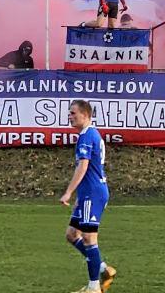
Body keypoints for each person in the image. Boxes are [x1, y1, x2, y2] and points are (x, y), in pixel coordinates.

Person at [60, 99, 115, 293]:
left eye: (74, 113)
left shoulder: (87, 136)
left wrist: (68, 192)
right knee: (72, 234)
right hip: (88, 193)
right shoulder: (88, 134)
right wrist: (79, 196)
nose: (70, 116)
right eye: (70, 113)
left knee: (89, 238)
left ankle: (94, 288)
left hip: (93, 193)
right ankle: (102, 269)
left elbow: (83, 167)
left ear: (85, 114)